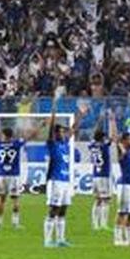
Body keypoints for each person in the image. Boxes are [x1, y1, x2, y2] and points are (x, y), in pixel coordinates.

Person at [0, 122, 39, 230]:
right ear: (11, 136)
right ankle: (15, 223)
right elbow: (30, 136)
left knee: (1, 199)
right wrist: (39, 126)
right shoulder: (16, 144)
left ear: (4, 135)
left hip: (2, 175)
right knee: (15, 200)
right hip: (14, 176)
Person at [43, 100, 80, 248]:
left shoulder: (64, 144)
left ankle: (60, 239)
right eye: (61, 131)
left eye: (64, 132)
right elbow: (51, 129)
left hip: (65, 181)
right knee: (54, 209)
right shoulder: (52, 144)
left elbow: (73, 129)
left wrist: (81, 115)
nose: (64, 133)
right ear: (56, 133)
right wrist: (53, 112)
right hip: (56, 181)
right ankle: (47, 240)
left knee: (63, 210)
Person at [88, 113, 117, 232]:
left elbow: (95, 134)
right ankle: (103, 224)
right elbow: (113, 137)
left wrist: (99, 121)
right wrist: (112, 121)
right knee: (106, 200)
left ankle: (95, 224)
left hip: (95, 175)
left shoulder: (91, 145)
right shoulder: (104, 146)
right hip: (104, 175)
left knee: (97, 200)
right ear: (102, 138)